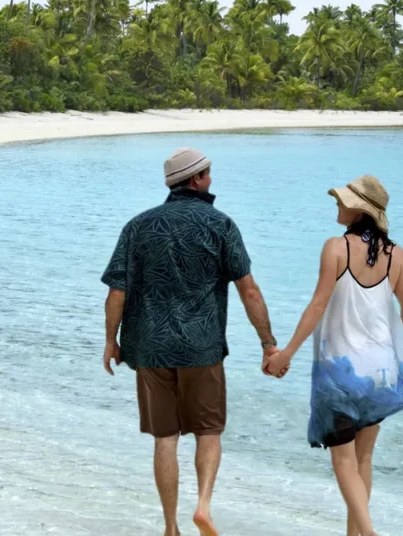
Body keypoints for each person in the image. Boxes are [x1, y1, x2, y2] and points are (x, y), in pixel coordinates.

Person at [102, 147, 281, 536]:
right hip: (202, 348)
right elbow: (249, 291)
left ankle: (170, 527)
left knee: (165, 439)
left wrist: (110, 341)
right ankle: (203, 507)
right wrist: (268, 344)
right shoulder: (220, 225)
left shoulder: (138, 226)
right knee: (208, 432)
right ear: (197, 179)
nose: (211, 179)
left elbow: (117, 292)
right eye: (208, 174)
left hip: (150, 348)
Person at [264, 175, 403, 536]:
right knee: (364, 459)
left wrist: (286, 354)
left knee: (343, 459)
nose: (337, 205)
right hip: (380, 374)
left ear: (358, 209)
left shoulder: (335, 248)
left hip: (339, 373)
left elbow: (318, 305)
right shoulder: (396, 255)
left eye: (342, 201)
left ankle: (368, 533)